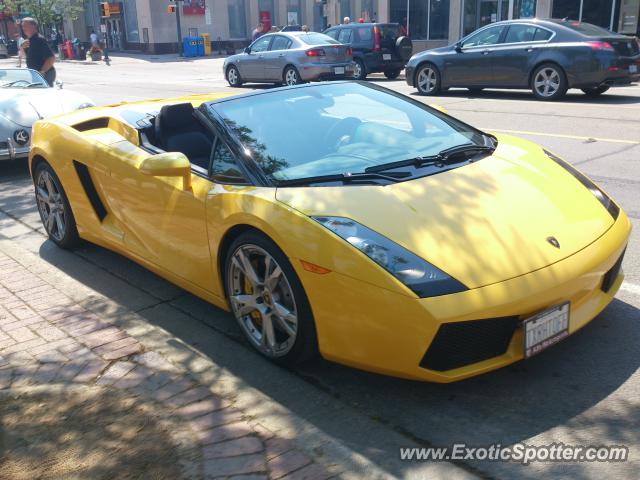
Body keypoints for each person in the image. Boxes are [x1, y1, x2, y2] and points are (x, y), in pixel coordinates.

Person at [20, 17, 56, 86]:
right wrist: (22, 47)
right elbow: (29, 58)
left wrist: (42, 72)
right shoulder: (29, 41)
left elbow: (51, 58)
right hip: (35, 74)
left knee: (44, 95)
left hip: (44, 74)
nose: (23, 28)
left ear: (33, 26)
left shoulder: (39, 39)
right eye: (22, 26)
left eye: (25, 26)